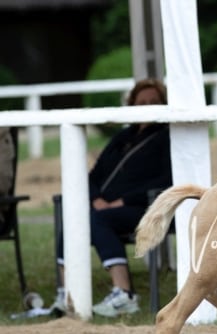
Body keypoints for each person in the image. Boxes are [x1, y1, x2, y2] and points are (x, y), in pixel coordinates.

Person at [52, 78, 173, 317]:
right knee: (76, 218)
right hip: (104, 207)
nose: (147, 107)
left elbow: (166, 181)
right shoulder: (123, 137)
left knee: (99, 220)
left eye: (153, 102)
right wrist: (96, 199)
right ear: (132, 106)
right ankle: (67, 292)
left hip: (143, 207)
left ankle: (124, 293)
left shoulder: (166, 137)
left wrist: (123, 201)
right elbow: (92, 175)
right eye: (141, 103)